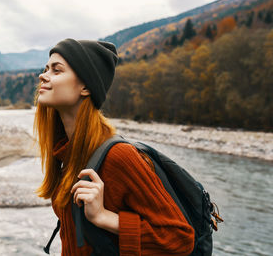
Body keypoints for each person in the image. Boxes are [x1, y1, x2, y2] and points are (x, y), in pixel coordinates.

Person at [34, 38, 195, 255]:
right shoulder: (67, 153)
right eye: (46, 69)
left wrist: (104, 217)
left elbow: (180, 239)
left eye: (57, 70)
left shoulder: (119, 156)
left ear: (85, 87)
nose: (43, 76)